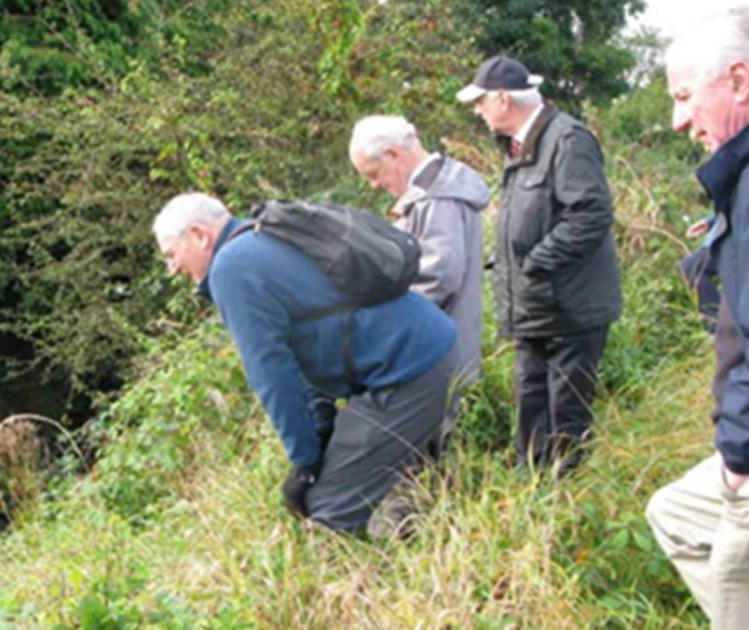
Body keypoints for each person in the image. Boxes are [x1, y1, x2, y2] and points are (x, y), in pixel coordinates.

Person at [153, 192, 458, 534]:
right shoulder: (262, 237)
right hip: (422, 348)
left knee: (330, 509)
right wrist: (320, 428)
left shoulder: (231, 269)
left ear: (199, 235)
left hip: (408, 368)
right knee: (375, 483)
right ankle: (424, 530)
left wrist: (305, 463)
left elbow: (271, 373)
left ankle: (356, 580)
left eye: (171, 254)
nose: (172, 268)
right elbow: (307, 346)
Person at [645, 7, 749, 627]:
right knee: (673, 512)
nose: (677, 119)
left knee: (738, 598)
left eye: (684, 95)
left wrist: (741, 456)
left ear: (741, 81)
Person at [457, 55, 622, 475]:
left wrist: (535, 262)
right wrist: (509, 260)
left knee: (566, 412)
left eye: (480, 102)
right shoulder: (521, 145)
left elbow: (590, 213)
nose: (478, 111)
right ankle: (529, 488)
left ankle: (566, 499)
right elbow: (534, 216)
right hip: (535, 307)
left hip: (569, 307)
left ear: (502, 99)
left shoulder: (567, 140)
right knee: (530, 399)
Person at [349, 115, 490, 437]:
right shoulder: (432, 191)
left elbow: (437, 278)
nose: (373, 184)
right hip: (436, 348)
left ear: (393, 155)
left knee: (428, 452)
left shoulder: (438, 199)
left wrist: (384, 321)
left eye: (374, 173)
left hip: (434, 353)